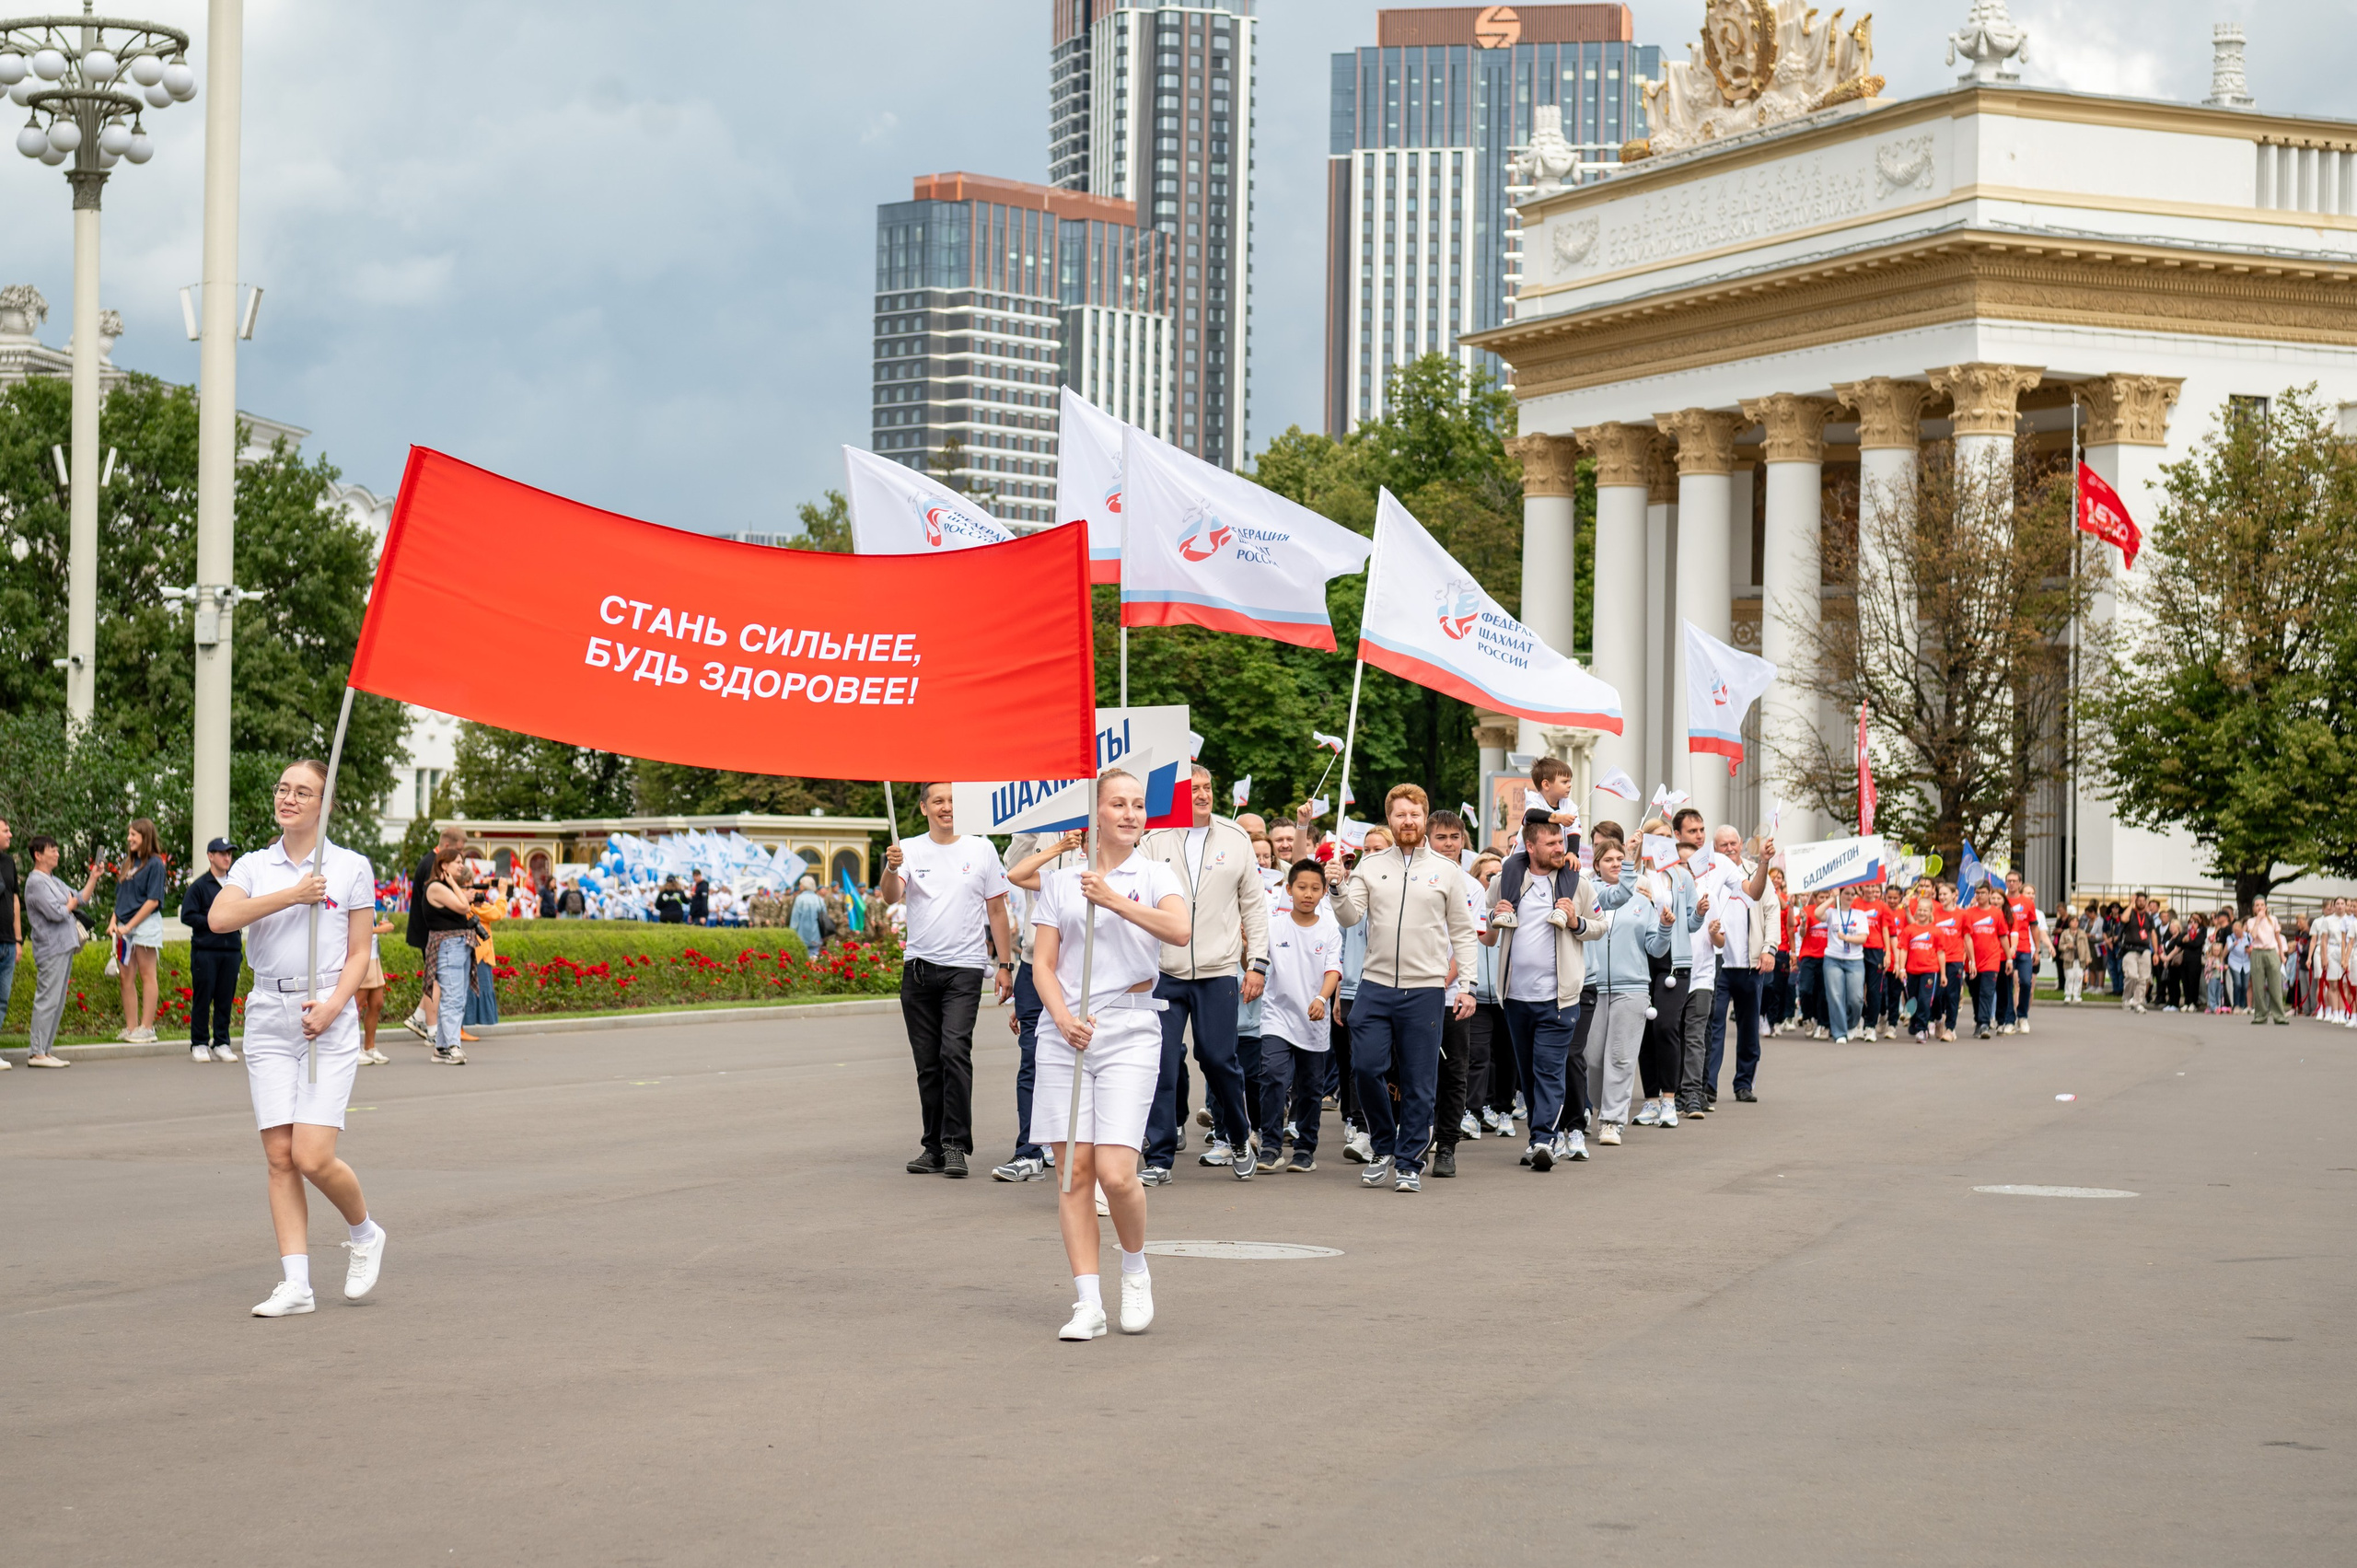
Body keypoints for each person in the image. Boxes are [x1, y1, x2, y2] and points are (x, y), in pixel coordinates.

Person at [203, 759, 389, 1318]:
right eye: (283, 789)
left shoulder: (352, 867)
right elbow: (220, 918)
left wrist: (333, 1007)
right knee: (279, 1157)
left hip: (325, 1013)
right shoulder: (256, 866)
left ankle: (365, 1234)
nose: (288, 798)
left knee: (311, 1154)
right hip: (268, 1014)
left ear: (323, 804)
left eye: (302, 791)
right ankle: (297, 1284)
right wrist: (292, 894)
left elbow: (360, 952)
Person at [1028, 769, 1190, 1342]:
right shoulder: (1061, 881)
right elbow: (1043, 963)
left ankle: (1135, 1267)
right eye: (1117, 804)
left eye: (1138, 805)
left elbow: (1179, 931)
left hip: (1130, 1028)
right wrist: (1063, 1018)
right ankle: (1087, 1302)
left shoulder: (1156, 873)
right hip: (1066, 1032)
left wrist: (1114, 899)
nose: (1129, 813)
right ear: (1096, 812)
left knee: (1117, 1174)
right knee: (1073, 1171)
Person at [1329, 784, 1477, 1193]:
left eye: (1414, 814)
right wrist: (1338, 887)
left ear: (1423, 818)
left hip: (1426, 988)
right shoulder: (1371, 865)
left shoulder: (1447, 871)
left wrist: (1468, 985)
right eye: (1399, 815)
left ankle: (1409, 1161)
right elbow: (1348, 917)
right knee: (1365, 1068)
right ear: (1390, 819)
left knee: (1419, 1079)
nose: (1407, 821)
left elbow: (1463, 932)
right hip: (1375, 986)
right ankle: (1383, 1146)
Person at [1137, 766, 1270, 1183]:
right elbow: (1135, 900)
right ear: (1178, 795)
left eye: (1207, 788)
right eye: (1193, 789)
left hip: (1217, 971)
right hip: (1164, 972)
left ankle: (1238, 1136)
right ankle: (1159, 1158)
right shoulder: (1153, 840)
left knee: (1218, 1058)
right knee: (1161, 1063)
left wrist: (1258, 963)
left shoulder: (1235, 837)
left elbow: (1254, 905)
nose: (1202, 795)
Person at [881, 782, 1014, 1180]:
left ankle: (956, 1144)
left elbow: (997, 909)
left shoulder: (981, 848)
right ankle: (933, 1147)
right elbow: (891, 897)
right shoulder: (908, 848)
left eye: (953, 801)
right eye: (938, 800)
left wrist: (1004, 964)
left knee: (954, 1052)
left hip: (965, 968)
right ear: (924, 808)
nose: (946, 807)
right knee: (928, 1063)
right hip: (919, 969)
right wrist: (890, 868)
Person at [1482, 814, 1602, 1169]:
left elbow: (1599, 925)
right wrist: (1494, 916)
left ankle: (1543, 1139)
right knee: (1530, 1073)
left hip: (1559, 998)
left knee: (1549, 1069)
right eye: (1550, 843)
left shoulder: (1575, 883)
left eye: (1561, 842)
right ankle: (1540, 1135)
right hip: (1517, 997)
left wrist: (1577, 921)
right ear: (1529, 846)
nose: (1559, 849)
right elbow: (1486, 928)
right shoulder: (1507, 879)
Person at [993, 830, 1084, 1183]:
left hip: (1084, 965)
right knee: (1032, 1056)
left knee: (1088, 1054)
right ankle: (1029, 1152)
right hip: (1036, 963)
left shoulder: (1104, 820)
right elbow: (1014, 870)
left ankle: (1097, 1145)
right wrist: (1035, 830)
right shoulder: (1041, 826)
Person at [1580, 840, 1669, 1144]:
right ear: (1597, 865)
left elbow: (1655, 947)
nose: (1616, 863)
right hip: (1592, 987)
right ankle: (1594, 1106)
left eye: (1621, 858)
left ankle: (1612, 1120)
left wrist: (1666, 928)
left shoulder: (1642, 901)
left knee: (1620, 1057)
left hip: (1632, 988)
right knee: (1591, 1057)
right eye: (1609, 859)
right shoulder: (1588, 896)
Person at [1255, 859, 1341, 1173]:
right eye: (1301, 887)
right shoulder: (1274, 925)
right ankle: (1270, 1145)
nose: (1308, 894)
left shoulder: (1330, 928)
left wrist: (1321, 998)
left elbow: (1333, 971)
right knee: (1273, 1076)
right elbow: (1257, 962)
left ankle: (1305, 1149)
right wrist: (1245, 948)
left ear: (1323, 893)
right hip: (1277, 1015)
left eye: (1315, 888)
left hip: (1314, 1018)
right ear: (1288, 890)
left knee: (1309, 1087)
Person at [1424, 808, 1489, 1176]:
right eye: (1441, 838)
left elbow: (1465, 943)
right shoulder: (1414, 877)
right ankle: (1414, 1139)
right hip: (1413, 993)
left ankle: (1446, 1146)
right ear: (1427, 840)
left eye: (1454, 838)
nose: (1448, 845)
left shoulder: (1473, 887)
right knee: (1412, 1071)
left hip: (1451, 996)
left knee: (1453, 1073)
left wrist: (1443, 982)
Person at [20, 836, 100, 1068]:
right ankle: (36, 1052)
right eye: (52, 850)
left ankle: (45, 1050)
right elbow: (56, 913)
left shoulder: (53, 880)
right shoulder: (36, 881)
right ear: (38, 854)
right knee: (47, 999)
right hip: (50, 946)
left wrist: (93, 877)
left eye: (57, 850)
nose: (57, 854)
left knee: (57, 1000)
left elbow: (80, 898)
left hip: (65, 945)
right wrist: (70, 904)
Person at [1701, 825, 1762, 1104]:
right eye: (1723, 844)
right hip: (1720, 964)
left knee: (1749, 1028)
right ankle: (1708, 1085)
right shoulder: (1709, 873)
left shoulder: (1752, 873)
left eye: (1733, 843)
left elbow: (1769, 910)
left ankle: (1744, 1083)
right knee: (1714, 1027)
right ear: (1715, 847)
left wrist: (1769, 948)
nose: (1729, 848)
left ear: (1741, 844)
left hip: (1749, 964)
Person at [179, 837, 245, 1063]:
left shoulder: (235, 884)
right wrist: (214, 921)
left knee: (225, 998)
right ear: (210, 856)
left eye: (229, 853)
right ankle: (199, 1043)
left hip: (231, 951)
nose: (227, 857)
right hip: (206, 951)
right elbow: (187, 915)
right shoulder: (200, 885)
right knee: (203, 997)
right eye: (222, 853)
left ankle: (222, 1042)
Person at [401, 826, 467, 1040]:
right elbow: (445, 901)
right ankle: (432, 1029)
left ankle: (419, 1018)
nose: (461, 858)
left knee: (435, 979)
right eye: (457, 853)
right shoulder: (432, 865)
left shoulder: (430, 861)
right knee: (435, 981)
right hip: (430, 932)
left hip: (427, 930)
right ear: (446, 847)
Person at [110, 818, 169, 1044]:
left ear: (145, 836)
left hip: (145, 925)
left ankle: (147, 1028)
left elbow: (153, 901)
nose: (129, 839)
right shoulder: (128, 864)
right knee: (125, 977)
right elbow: (121, 898)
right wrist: (114, 921)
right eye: (129, 834)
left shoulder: (155, 864)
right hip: (125, 926)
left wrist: (130, 925)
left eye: (134, 834)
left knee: (147, 975)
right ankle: (131, 1027)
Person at [420, 846, 480, 1064]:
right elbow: (463, 907)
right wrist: (456, 885)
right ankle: (453, 1046)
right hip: (448, 945)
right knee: (453, 998)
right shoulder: (436, 886)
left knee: (457, 997)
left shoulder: (443, 887)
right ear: (444, 865)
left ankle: (443, 1048)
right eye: (457, 862)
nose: (462, 865)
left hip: (457, 944)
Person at [1821, 886, 1870, 1044]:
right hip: (1833, 959)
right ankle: (1839, 1032)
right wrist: (1831, 898)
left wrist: (1846, 938)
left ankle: (1851, 1024)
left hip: (1854, 961)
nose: (1849, 896)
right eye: (1846, 893)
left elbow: (1863, 938)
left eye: (1852, 894)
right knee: (1835, 996)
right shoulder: (1831, 913)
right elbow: (1817, 914)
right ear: (1840, 895)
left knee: (1856, 998)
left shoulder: (1860, 915)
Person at [1963, 883, 2012, 1039]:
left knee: (1987, 991)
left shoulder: (1996, 914)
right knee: (1975, 992)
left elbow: (2003, 936)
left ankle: (1984, 1024)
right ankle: (1979, 1020)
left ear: (1989, 893)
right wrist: (1971, 960)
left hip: (1992, 960)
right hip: (1973, 961)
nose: (1979, 896)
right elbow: (1967, 937)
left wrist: (2009, 958)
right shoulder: (1969, 913)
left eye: (1983, 893)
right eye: (1977, 893)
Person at [355, 911, 396, 1065]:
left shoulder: (368, 894)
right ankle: (354, 1049)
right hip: (359, 956)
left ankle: (369, 1047)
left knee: (377, 1002)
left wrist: (377, 928)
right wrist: (380, 930)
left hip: (373, 955)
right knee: (357, 1005)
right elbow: (351, 928)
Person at [2247, 897, 2288, 1025]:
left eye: (2262, 905)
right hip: (2257, 952)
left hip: (2271, 951)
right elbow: (2253, 936)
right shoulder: (2251, 921)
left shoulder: (2273, 920)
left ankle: (2279, 1016)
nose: (2260, 907)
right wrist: (2258, 920)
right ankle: (2260, 1015)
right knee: (2258, 986)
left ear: (2266, 907)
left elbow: (2278, 938)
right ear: (2254, 908)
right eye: (2257, 905)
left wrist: (2282, 954)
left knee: (2275, 985)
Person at [2118, 892, 2156, 1013]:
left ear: (2146, 902)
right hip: (2130, 949)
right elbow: (2123, 919)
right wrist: (2131, 903)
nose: (2141, 902)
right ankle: (2126, 998)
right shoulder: (2131, 913)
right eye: (2138, 900)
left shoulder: (2148, 917)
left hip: (2144, 949)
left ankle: (2138, 1002)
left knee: (2143, 978)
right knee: (2131, 975)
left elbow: (2153, 934)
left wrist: (2155, 952)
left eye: (2143, 901)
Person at [0, 818, 18, 1048]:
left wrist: (18, 939)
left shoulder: (8, 862)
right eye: (5, 830)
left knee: (2, 1000)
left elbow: (15, 899)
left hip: (8, 941)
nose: (10, 834)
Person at [2056, 912, 2092, 1005]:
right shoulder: (2065, 933)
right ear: (2069, 923)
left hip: (2080, 958)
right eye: (2073, 921)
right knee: (2069, 976)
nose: (2075, 923)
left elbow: (2086, 946)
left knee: (2079, 976)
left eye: (2076, 921)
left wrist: (2088, 957)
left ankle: (2077, 994)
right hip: (2069, 958)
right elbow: (2060, 946)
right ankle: (2068, 994)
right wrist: (2067, 946)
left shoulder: (2082, 933)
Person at [789, 876, 827, 955]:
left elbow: (795, 920)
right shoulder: (820, 899)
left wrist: (792, 934)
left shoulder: (799, 899)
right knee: (814, 959)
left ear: (804, 886)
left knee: (802, 958)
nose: (799, 886)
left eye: (801, 884)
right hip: (817, 935)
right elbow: (824, 918)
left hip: (801, 935)